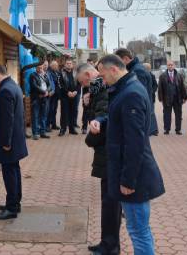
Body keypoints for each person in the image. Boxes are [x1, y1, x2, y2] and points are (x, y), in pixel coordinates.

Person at [94, 54, 164, 254]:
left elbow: (135, 144)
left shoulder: (130, 93)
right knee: (139, 230)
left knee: (138, 231)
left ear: (114, 70)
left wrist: (128, 181)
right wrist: (103, 121)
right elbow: (121, 121)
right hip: (132, 175)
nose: (103, 80)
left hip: (136, 179)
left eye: (104, 76)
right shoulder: (127, 88)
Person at [79, 63, 121, 255]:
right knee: (108, 200)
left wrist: (90, 139)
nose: (86, 86)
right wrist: (88, 103)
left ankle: (110, 246)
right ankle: (107, 242)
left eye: (84, 82)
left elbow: (103, 119)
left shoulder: (103, 87)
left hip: (109, 151)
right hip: (107, 151)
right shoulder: (99, 88)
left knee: (111, 202)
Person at [0, 64, 29, 219]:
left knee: (9, 173)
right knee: (14, 171)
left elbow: (7, 119)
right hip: (16, 138)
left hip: (9, 141)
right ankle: (14, 202)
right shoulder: (14, 86)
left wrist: (6, 142)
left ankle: (12, 208)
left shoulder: (5, 90)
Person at [115, 48, 158, 136]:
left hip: (140, 114)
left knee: (141, 146)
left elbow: (139, 95)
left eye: (119, 62)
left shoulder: (137, 70)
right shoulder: (135, 68)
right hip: (140, 113)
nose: (118, 65)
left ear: (126, 59)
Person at [157, 60, 187, 135]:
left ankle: (178, 129)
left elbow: (182, 87)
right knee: (167, 114)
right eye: (169, 65)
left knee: (178, 115)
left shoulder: (179, 75)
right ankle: (167, 129)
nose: (170, 66)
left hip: (177, 98)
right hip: (167, 98)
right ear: (167, 66)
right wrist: (160, 98)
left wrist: (184, 97)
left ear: (174, 66)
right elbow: (160, 88)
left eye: (171, 65)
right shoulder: (162, 76)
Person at [29, 61, 51, 140]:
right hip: (36, 98)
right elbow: (34, 86)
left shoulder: (45, 75)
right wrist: (44, 92)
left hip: (45, 98)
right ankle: (35, 133)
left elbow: (49, 85)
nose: (40, 69)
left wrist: (47, 92)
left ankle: (43, 132)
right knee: (35, 116)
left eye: (41, 67)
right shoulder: (32, 75)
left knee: (44, 116)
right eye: (38, 67)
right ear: (36, 68)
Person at [60, 58, 80, 136]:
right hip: (65, 96)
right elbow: (60, 84)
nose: (69, 64)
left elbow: (79, 83)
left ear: (72, 65)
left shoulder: (75, 73)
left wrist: (76, 91)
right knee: (64, 113)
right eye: (67, 63)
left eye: (70, 63)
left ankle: (72, 129)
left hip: (74, 96)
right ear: (65, 64)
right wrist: (67, 92)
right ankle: (63, 129)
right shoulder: (61, 73)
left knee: (73, 112)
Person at [47, 60, 63, 131]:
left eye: (57, 66)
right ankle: (48, 125)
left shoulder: (57, 72)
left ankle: (53, 124)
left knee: (54, 110)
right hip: (52, 94)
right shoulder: (49, 72)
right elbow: (51, 82)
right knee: (50, 110)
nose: (57, 67)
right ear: (52, 66)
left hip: (56, 95)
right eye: (55, 66)